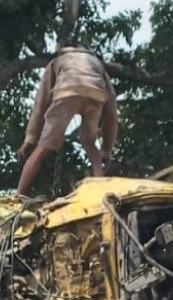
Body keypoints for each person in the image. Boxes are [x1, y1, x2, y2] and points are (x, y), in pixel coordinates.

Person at [17, 43, 119, 195]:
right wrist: (106, 150)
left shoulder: (57, 61)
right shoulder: (97, 63)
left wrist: (30, 139)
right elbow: (111, 111)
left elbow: (41, 103)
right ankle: (100, 185)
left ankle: (19, 194)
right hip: (96, 94)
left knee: (43, 147)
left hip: (67, 92)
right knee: (89, 142)